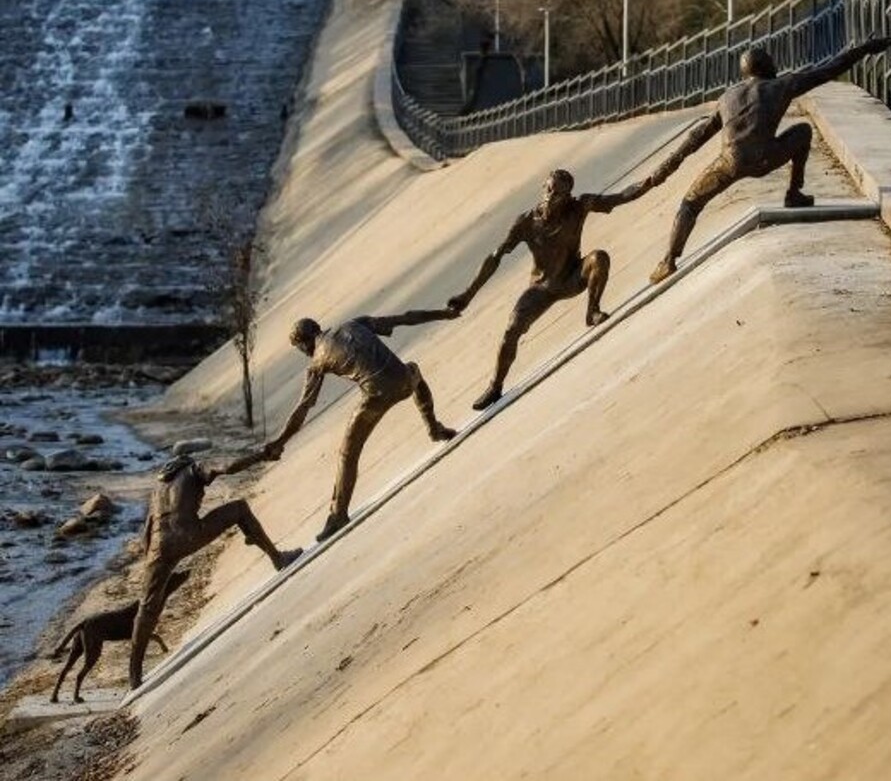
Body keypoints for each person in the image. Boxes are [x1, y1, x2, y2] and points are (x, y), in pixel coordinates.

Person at [647, 35, 891, 285]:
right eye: (772, 62)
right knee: (803, 132)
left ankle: (668, 260)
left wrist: (668, 166)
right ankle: (794, 192)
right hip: (765, 157)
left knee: (690, 203)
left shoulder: (727, 97)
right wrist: (864, 49)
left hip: (729, 162)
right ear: (764, 67)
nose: (776, 66)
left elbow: (697, 136)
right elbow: (827, 71)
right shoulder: (782, 85)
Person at [447, 167, 659, 411]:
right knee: (512, 327)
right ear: (543, 188)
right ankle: (495, 386)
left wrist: (649, 182)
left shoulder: (579, 206)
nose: (550, 196)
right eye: (548, 189)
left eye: (558, 193)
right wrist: (468, 294)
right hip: (541, 288)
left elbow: (620, 197)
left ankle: (592, 311)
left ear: (567, 196)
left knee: (599, 258)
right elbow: (496, 257)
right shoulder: (526, 222)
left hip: (572, 277)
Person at [263, 308, 458, 543]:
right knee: (414, 369)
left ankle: (338, 514)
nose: (303, 353)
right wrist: (444, 313)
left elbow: (303, 408)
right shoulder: (355, 323)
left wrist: (280, 442)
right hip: (405, 381)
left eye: (300, 349)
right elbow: (404, 318)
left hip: (377, 398)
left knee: (348, 452)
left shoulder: (317, 361)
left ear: (304, 344)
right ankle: (434, 427)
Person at [129, 450, 301, 689]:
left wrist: (151, 560)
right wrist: (261, 454)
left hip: (159, 546)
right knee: (240, 509)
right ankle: (277, 558)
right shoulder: (194, 468)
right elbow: (228, 465)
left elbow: (147, 529)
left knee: (147, 607)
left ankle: (134, 675)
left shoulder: (158, 491)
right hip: (188, 534)